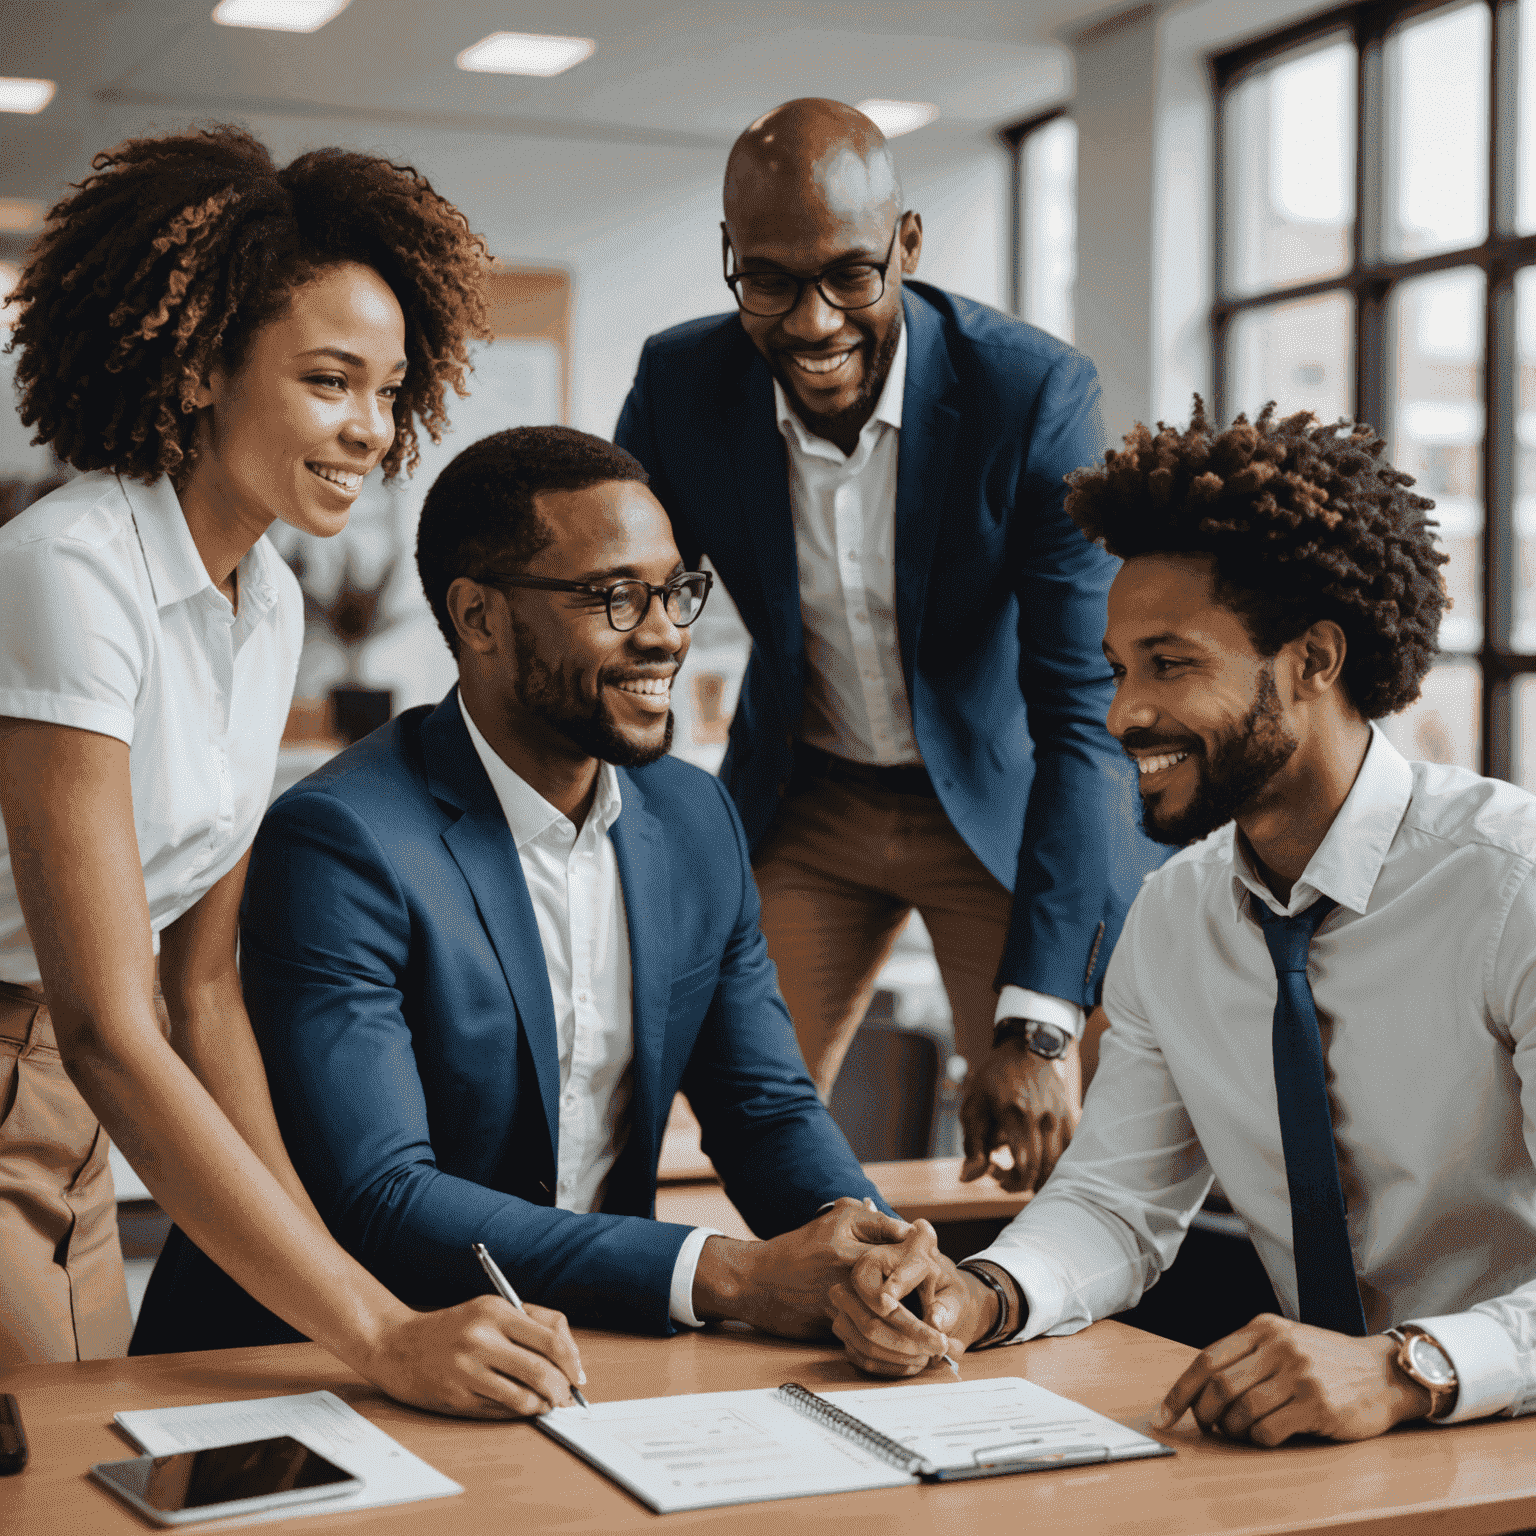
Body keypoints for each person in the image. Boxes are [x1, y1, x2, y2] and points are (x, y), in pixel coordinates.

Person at [0, 125, 582, 1417]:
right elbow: (109, 1018)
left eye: (389, 390)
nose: (371, 429)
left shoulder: (264, 599)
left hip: (73, 1118)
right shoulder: (69, 571)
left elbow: (202, 991)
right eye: (330, 381)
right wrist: (372, 1332)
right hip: (53, 1061)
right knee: (50, 1474)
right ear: (205, 365)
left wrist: (338, 1272)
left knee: (109, 1447)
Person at [829, 401, 1536, 1444]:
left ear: (1315, 660)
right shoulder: (1176, 914)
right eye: (1118, 670)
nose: (1123, 716)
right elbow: (1117, 1202)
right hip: (1327, 1456)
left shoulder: (1510, 889)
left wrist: (1407, 1368)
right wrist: (979, 1294)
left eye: (1170, 664)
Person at [131, 425, 912, 1350]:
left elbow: (765, 1106)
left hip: (583, 1350)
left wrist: (874, 1253)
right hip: (311, 1365)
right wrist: (725, 1272)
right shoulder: (343, 840)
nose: (665, 633)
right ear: (479, 618)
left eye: (674, 592)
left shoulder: (696, 820)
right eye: (615, 597)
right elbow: (383, 1196)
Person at [614, 98, 1155, 1194]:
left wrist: (1040, 1029)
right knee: (710, 1119)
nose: (812, 323)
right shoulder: (682, 387)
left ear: (907, 243)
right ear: (731, 259)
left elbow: (1082, 713)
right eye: (767, 279)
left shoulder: (1033, 394)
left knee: (1052, 1150)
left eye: (850, 276)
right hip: (807, 803)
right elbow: (608, 599)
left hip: (998, 812)